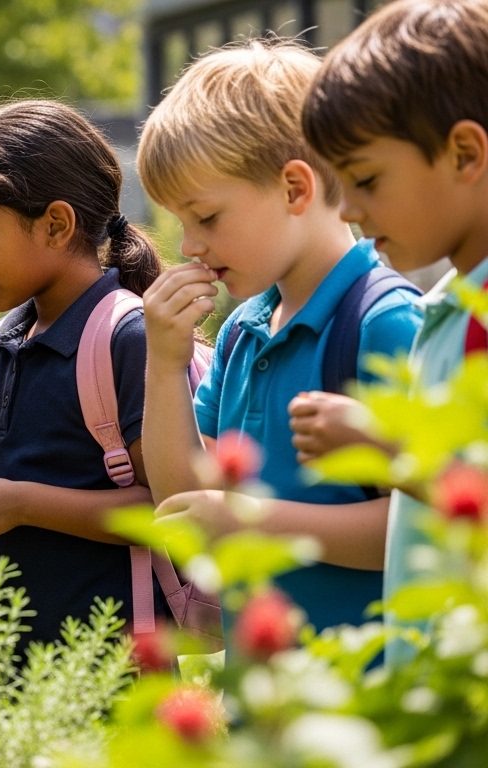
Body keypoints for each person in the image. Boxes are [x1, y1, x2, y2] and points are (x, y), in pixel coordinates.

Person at [137, 40, 422, 652]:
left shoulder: (383, 322)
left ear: (296, 188)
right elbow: (184, 501)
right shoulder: (245, 328)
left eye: (206, 218)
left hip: (366, 704)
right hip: (266, 703)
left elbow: (427, 523)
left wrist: (254, 522)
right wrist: (164, 364)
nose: (188, 245)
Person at [0, 99, 169, 660]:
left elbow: (168, 512)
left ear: (56, 224)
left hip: (116, 676)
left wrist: (25, 504)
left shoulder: (126, 335)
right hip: (13, 676)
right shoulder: (5, 342)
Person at [298, 0, 488, 666]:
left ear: (465, 152)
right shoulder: (446, 308)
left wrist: (386, 447)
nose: (348, 208)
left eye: (367, 179)